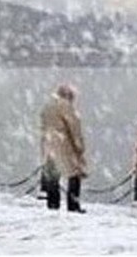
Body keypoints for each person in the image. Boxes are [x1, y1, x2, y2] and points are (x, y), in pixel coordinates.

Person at [40, 83, 88, 212]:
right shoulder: (67, 107)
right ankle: (73, 205)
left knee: (53, 176)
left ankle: (52, 204)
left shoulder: (47, 107)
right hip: (65, 145)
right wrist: (80, 147)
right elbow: (74, 129)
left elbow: (43, 127)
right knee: (74, 175)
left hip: (49, 144)